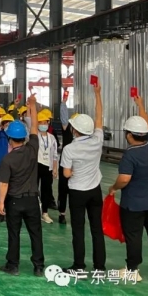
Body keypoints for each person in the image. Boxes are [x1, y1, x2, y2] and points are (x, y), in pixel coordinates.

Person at [108, 95, 148, 281]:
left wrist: (113, 188)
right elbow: (147, 125)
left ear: (129, 135)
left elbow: (124, 179)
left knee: (134, 236)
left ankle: (133, 270)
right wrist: (140, 105)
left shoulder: (130, 155)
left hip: (133, 205)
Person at [0, 94, 44, 277]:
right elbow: (34, 126)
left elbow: (4, 183)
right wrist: (32, 106)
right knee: (35, 234)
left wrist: (1, 203)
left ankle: (13, 265)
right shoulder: (33, 149)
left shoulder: (7, 159)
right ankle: (38, 266)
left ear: (10, 138)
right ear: (24, 137)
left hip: (14, 201)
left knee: (14, 233)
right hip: (32, 199)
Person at [60, 83, 106, 275]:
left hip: (78, 192)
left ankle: (79, 265)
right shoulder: (97, 140)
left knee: (78, 230)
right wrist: (97, 94)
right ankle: (100, 267)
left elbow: (66, 174)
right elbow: (99, 117)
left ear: (74, 130)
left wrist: (73, 172)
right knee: (97, 229)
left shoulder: (69, 149)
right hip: (95, 190)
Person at [36, 111, 59, 224]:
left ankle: (44, 213)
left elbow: (54, 154)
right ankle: (34, 211)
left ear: (48, 123)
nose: (43, 125)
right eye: (40, 122)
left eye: (45, 122)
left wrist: (55, 168)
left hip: (48, 167)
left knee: (46, 191)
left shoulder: (52, 138)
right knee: (33, 189)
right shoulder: (35, 136)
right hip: (36, 165)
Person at [57, 96, 74, 225]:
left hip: (77, 166)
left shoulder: (84, 136)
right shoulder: (67, 131)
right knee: (63, 190)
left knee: (75, 191)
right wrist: (63, 103)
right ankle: (62, 213)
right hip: (65, 165)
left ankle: (75, 212)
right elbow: (64, 118)